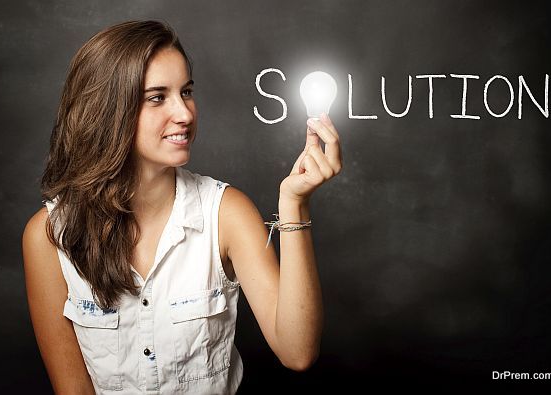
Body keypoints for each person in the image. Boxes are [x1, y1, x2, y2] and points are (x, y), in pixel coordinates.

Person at [22, 20, 342, 395]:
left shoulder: (226, 214)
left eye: (186, 91)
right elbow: (73, 389)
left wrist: (294, 204)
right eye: (157, 97)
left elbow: (297, 352)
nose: (186, 114)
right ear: (108, 108)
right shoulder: (49, 237)